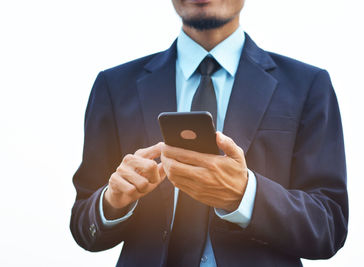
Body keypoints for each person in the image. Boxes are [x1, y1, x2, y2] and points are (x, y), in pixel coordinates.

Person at [70, 0, 348, 266]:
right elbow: (84, 226)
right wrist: (112, 202)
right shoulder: (114, 85)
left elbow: (329, 225)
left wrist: (244, 195)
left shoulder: (308, 85)